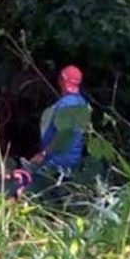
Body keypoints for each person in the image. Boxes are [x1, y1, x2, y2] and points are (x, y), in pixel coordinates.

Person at [28, 65, 88, 194]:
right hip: (73, 159)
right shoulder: (82, 103)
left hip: (57, 160)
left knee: (31, 189)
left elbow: (64, 135)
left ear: (61, 80)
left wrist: (43, 155)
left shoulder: (65, 104)